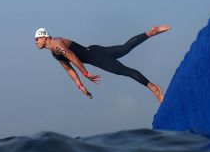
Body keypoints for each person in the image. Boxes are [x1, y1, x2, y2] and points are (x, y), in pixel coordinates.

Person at [34, 25, 170, 103]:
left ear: (44, 36)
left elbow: (73, 56)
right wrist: (80, 85)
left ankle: (154, 88)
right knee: (124, 48)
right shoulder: (54, 53)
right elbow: (69, 69)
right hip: (93, 50)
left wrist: (85, 73)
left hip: (96, 57)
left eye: (37, 39)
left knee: (124, 70)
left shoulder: (57, 44)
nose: (35, 41)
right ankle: (151, 32)